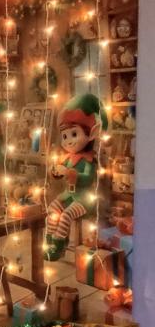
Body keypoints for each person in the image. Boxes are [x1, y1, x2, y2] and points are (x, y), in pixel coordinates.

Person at [45, 93, 108, 261]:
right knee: (52, 210)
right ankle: (50, 241)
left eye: (74, 134)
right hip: (68, 196)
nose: (68, 141)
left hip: (84, 199)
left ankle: (58, 245)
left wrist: (71, 173)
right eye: (65, 136)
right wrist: (56, 172)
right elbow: (59, 175)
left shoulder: (89, 159)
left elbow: (88, 178)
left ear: (91, 134)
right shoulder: (67, 158)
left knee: (66, 215)